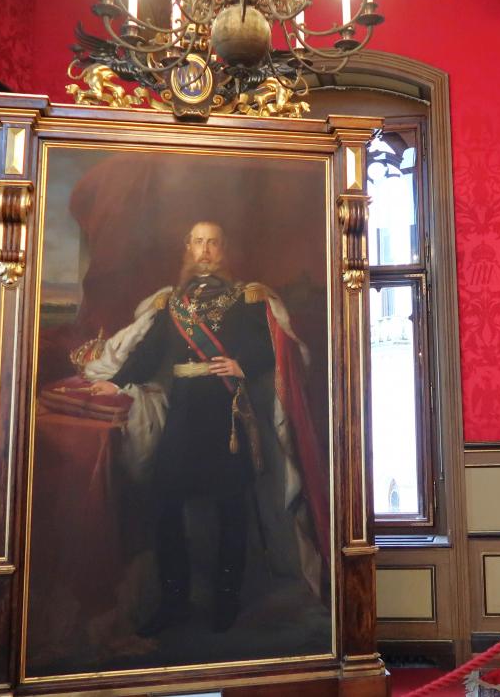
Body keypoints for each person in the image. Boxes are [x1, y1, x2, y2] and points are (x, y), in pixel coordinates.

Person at [85, 221, 326, 635]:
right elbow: (149, 353)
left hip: (226, 412)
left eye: (213, 242)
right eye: (198, 242)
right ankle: (174, 602)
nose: (205, 250)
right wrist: (118, 381)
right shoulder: (171, 302)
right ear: (188, 247)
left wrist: (241, 365)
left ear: (223, 249)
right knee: (165, 503)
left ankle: (226, 602)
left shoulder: (246, 298)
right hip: (183, 415)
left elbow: (269, 346)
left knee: (231, 507)